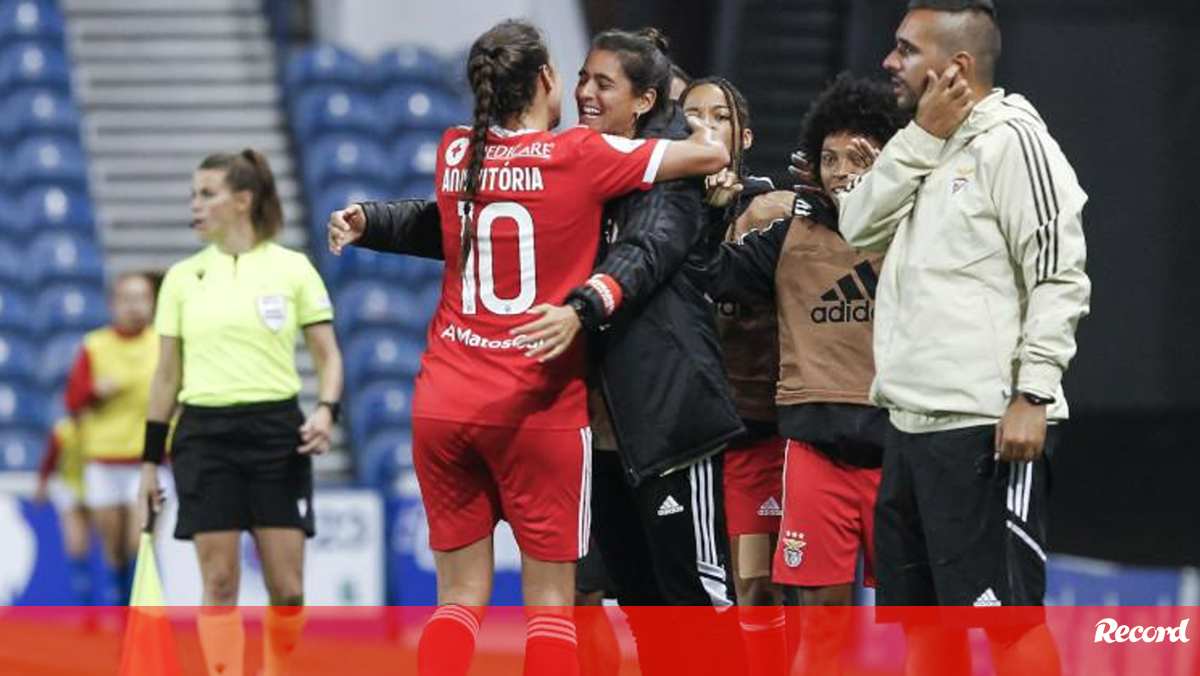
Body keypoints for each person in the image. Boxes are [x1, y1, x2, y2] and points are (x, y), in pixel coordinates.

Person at [328, 20, 729, 676]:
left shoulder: (456, 150)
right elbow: (705, 158)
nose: (580, 90)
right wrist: (704, 125)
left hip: (443, 400)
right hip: (536, 404)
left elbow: (447, 221)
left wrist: (371, 217)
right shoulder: (577, 155)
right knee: (552, 607)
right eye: (575, 77)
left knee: (457, 600)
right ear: (546, 79)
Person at [837, 2, 1090, 675]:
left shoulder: (1014, 141)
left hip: (982, 427)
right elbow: (856, 227)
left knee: (1007, 628)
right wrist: (919, 138)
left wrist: (1032, 392)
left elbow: (1060, 276)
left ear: (957, 67)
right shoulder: (921, 140)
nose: (890, 63)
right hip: (909, 424)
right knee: (925, 631)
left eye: (905, 50)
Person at [706, 73, 908, 676]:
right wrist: (713, 212)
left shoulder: (920, 228)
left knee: (916, 628)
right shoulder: (786, 233)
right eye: (829, 157)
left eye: (860, 157)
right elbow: (709, 275)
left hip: (901, 452)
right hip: (815, 456)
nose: (842, 170)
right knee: (820, 627)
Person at [137, 149, 344, 676]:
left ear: (243, 200)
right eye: (193, 193)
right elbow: (166, 376)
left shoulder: (293, 268)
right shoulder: (182, 279)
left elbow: (328, 355)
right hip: (203, 435)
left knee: (289, 590)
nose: (194, 204)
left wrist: (325, 410)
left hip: (276, 433)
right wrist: (147, 461)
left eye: (207, 193)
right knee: (220, 583)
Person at [679, 75, 799, 676]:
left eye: (718, 116)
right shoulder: (655, 210)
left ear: (744, 136)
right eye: (691, 116)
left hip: (759, 430)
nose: (703, 125)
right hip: (682, 434)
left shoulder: (774, 212)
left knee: (759, 582)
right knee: (699, 591)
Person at [56, 270, 162, 605]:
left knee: (139, 541)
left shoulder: (164, 344)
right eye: (127, 299)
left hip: (149, 461)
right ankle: (121, 608)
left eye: (142, 298)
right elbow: (71, 402)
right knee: (114, 548)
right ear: (113, 304)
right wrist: (92, 391)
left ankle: (140, 612)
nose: (135, 307)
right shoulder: (95, 345)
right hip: (103, 461)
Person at [35, 417, 94, 605]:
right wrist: (42, 485)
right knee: (77, 546)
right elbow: (49, 461)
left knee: (115, 547)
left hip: (98, 488)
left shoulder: (101, 427)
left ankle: (121, 604)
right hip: (71, 489)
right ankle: (85, 606)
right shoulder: (62, 431)